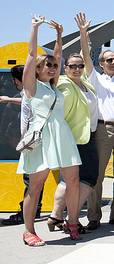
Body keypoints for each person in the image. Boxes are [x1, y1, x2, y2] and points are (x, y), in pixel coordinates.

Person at [19, 16, 82, 246]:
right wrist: (34, 27)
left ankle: (72, 223)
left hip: (61, 135)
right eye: (49, 65)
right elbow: (31, 54)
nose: (53, 67)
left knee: (73, 180)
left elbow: (57, 55)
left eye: (55, 66)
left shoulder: (54, 86)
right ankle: (28, 231)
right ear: (38, 69)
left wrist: (59, 36)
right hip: (41, 137)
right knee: (36, 185)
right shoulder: (32, 86)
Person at [76, 11, 114, 230]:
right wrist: (84, 34)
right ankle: (94, 216)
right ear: (101, 63)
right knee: (98, 174)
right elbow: (85, 56)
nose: (113, 62)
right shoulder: (96, 78)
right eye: (109, 60)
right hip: (102, 130)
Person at [48, 52, 100, 234]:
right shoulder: (64, 85)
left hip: (86, 136)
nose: (77, 69)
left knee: (71, 179)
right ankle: (72, 219)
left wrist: (84, 34)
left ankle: (56, 215)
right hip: (74, 138)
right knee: (88, 177)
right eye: (72, 66)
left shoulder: (84, 84)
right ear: (65, 68)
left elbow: (87, 56)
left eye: (80, 66)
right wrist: (59, 39)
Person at [0, 65, 43, 226]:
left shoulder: (28, 93)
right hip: (35, 141)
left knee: (30, 179)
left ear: (16, 80)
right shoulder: (40, 90)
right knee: (36, 178)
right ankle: (35, 208)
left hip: (27, 142)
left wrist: (8, 100)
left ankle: (27, 212)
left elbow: (7, 116)